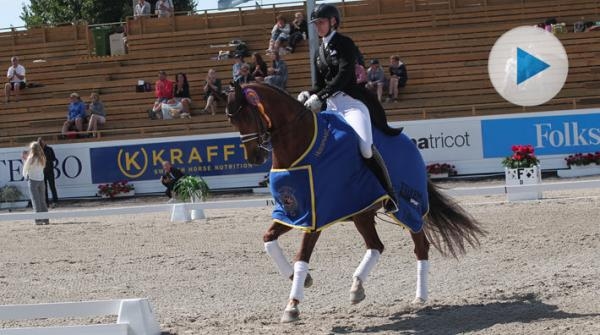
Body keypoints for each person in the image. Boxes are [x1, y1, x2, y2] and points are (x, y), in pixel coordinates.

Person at [297, 3, 398, 214]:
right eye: (315, 24)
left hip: (351, 104)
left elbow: (344, 76)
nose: (317, 27)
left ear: (333, 21)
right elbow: (320, 83)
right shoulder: (318, 51)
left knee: (365, 147)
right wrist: (309, 93)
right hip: (332, 108)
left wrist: (321, 95)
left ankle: (389, 194)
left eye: (321, 22)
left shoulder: (345, 43)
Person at [22, 141, 49, 225]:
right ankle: (46, 219)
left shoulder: (31, 158)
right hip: (41, 180)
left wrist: (24, 160)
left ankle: (38, 220)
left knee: (35, 201)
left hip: (33, 180)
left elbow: (25, 169)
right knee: (42, 201)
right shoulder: (42, 157)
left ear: (32, 149)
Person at [37, 137, 58, 208]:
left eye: (43, 141)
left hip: (50, 171)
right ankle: (46, 203)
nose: (42, 143)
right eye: (41, 142)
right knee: (44, 188)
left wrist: (46, 160)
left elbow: (53, 158)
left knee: (52, 186)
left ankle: (55, 201)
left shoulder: (49, 149)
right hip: (42, 172)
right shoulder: (38, 151)